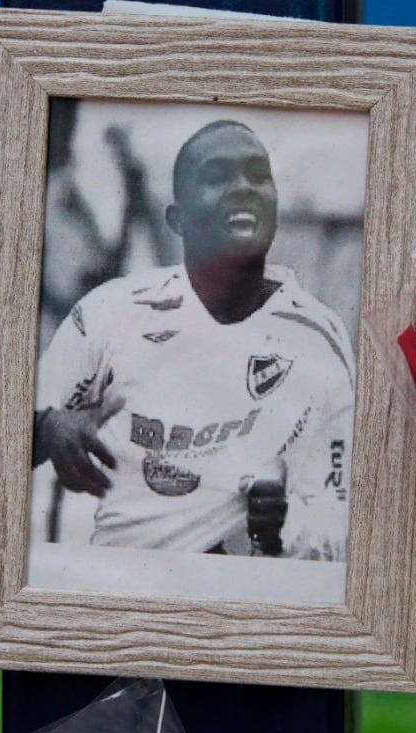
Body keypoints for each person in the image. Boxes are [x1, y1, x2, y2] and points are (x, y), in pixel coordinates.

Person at [32, 120, 354, 561]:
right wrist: (49, 427)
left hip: (251, 607)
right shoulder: (111, 313)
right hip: (122, 598)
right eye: (217, 177)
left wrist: (286, 529)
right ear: (177, 219)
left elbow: (341, 519)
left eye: (258, 175)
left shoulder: (318, 338)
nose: (243, 188)